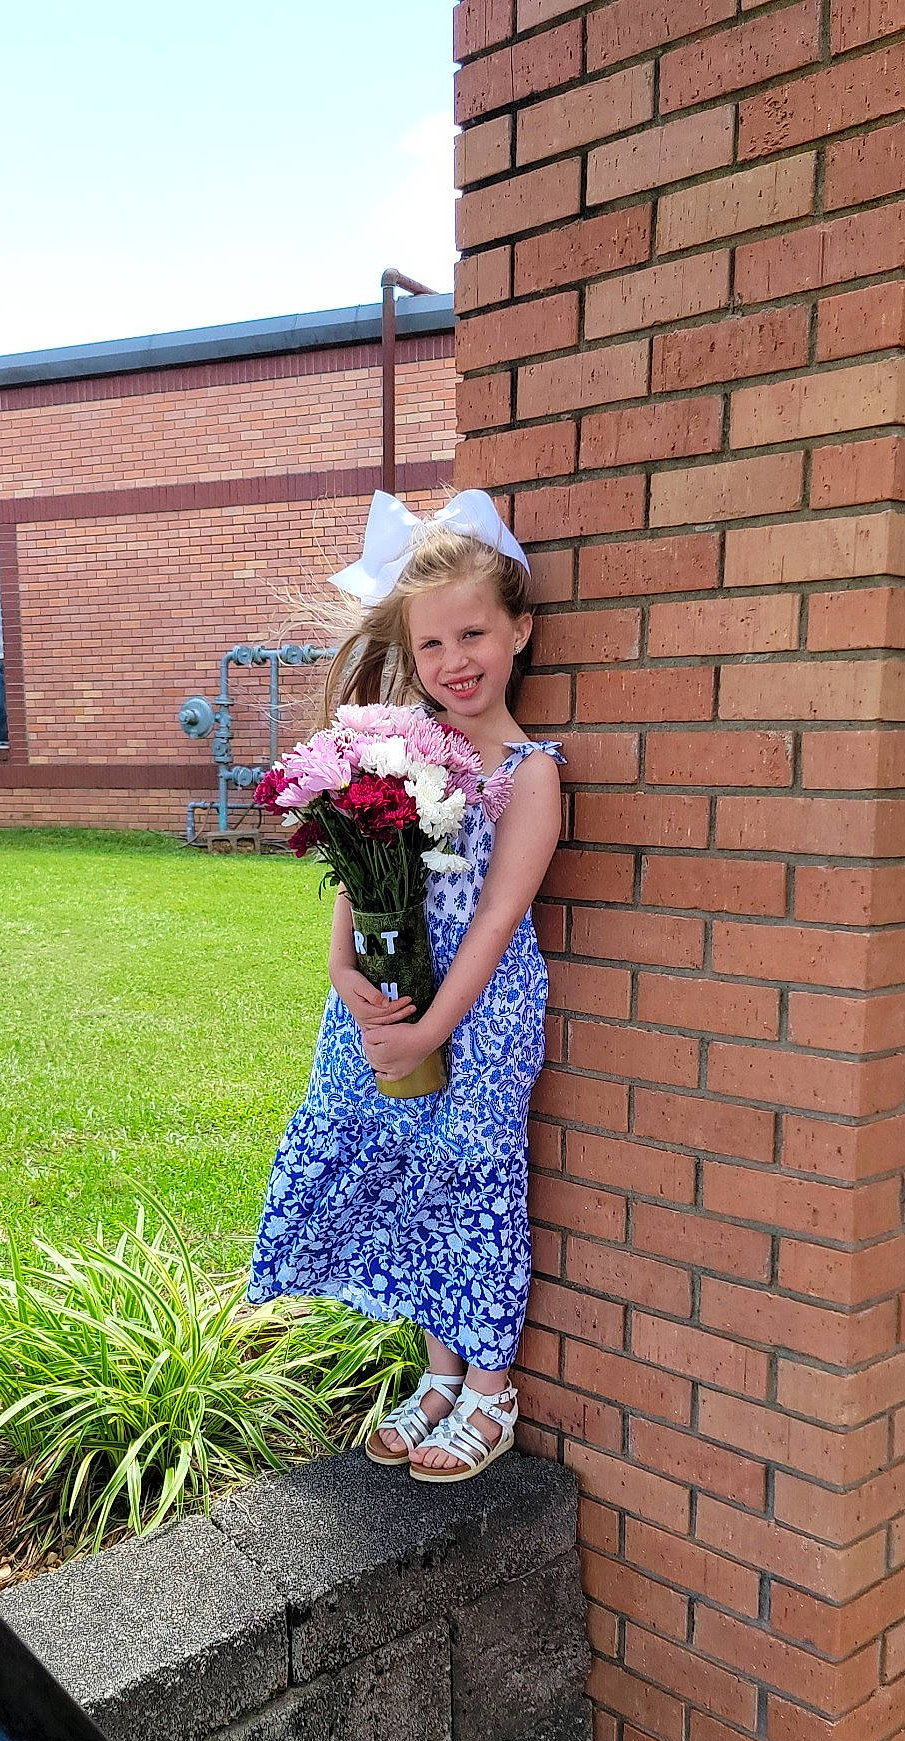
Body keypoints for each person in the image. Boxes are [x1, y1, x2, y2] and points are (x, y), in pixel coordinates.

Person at [246, 488, 563, 1482]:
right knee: (410, 1179)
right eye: (431, 646)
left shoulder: (529, 770)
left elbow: (499, 918)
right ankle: (434, 1376)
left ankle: (487, 1387)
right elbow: (360, 871)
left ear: (519, 629)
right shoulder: (397, 755)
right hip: (384, 1002)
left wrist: (431, 1033)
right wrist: (343, 973)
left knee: (469, 1177)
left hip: (475, 1011)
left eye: (473, 632)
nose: (453, 661)